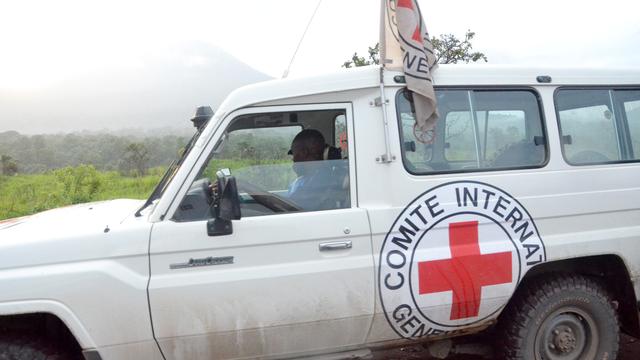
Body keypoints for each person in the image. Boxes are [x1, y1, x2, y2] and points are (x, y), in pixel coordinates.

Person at [287, 129, 345, 211]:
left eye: (295, 154)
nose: (293, 159)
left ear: (304, 152)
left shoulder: (321, 180)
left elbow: (290, 207)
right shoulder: (309, 177)